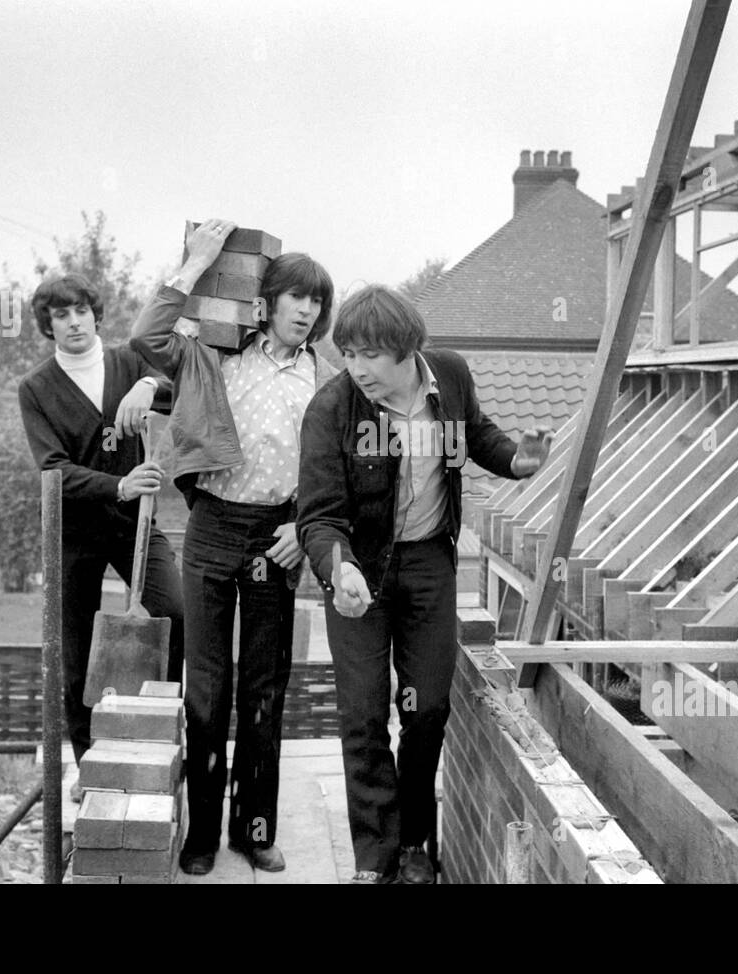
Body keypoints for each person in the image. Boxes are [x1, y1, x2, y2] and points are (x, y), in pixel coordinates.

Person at [296, 284, 552, 884]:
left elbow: (477, 434)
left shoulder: (451, 376)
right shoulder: (332, 408)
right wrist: (339, 567)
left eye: (370, 356)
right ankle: (374, 859)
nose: (357, 370)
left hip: (429, 565)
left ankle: (413, 843)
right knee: (362, 715)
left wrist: (518, 460)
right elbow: (318, 514)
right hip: (360, 572)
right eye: (349, 355)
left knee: (427, 709)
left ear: (407, 349)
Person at [130, 219, 337, 875]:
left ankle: (255, 830)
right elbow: (146, 337)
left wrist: (302, 528)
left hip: (278, 538)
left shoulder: (326, 381)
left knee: (264, 692)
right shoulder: (216, 358)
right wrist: (194, 264)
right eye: (297, 298)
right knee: (206, 692)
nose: (307, 311)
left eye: (317, 302)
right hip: (213, 530)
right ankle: (200, 838)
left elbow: (338, 474)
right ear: (267, 302)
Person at [18, 272, 185, 768]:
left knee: (173, 612)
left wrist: (150, 383)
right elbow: (53, 470)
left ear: (95, 315)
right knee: (77, 650)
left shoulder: (128, 362)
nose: (73, 323)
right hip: (73, 532)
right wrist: (118, 484)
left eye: (81, 312)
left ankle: (156, 732)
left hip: (134, 523)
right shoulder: (36, 388)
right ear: (49, 326)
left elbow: (180, 393)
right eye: (60, 316)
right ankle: (89, 759)